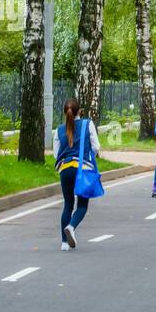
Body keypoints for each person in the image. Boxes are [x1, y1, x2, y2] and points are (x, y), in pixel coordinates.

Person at [55, 98, 100, 251]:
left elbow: (56, 154)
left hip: (65, 169)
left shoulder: (59, 129)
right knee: (82, 205)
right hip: (83, 170)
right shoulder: (88, 124)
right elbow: (96, 146)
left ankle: (64, 243)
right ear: (80, 111)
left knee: (68, 204)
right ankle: (71, 227)